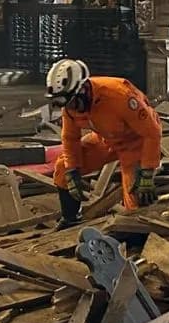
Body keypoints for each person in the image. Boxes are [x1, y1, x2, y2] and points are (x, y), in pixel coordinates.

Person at [46, 59, 161, 227]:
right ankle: (70, 219)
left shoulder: (120, 96)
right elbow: (70, 138)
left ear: (83, 90)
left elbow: (152, 132)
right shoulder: (70, 106)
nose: (71, 108)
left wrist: (147, 173)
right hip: (106, 138)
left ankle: (138, 230)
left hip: (135, 141)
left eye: (72, 103)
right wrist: (72, 170)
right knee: (63, 168)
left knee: (136, 196)